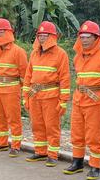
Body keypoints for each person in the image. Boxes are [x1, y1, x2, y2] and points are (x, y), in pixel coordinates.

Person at [64, 21, 100, 179]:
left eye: (88, 37)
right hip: (79, 99)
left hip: (95, 101)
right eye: (82, 37)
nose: (84, 40)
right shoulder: (78, 57)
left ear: (96, 38)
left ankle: (94, 166)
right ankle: (77, 162)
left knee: (94, 135)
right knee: (77, 132)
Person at [23, 22, 70, 167]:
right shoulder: (34, 53)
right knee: (37, 125)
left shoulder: (60, 54)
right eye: (40, 35)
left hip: (51, 96)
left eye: (45, 35)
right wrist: (26, 96)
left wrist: (63, 101)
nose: (42, 38)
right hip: (35, 94)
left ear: (52, 36)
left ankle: (53, 154)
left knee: (51, 126)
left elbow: (65, 78)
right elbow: (28, 76)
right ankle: (40, 151)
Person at [0, 18, 28, 156]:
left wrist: (25, 93)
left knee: (14, 118)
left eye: (1, 32)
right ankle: (2, 143)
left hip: (12, 89)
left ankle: (16, 146)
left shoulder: (18, 52)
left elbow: (25, 74)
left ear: (8, 32)